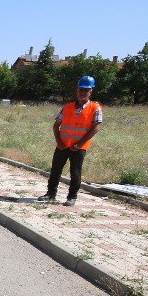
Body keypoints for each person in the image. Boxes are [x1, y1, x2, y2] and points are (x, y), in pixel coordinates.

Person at [37, 75, 103, 207]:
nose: (83, 92)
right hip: (62, 146)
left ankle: (72, 197)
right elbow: (56, 125)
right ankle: (50, 194)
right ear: (77, 90)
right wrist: (58, 142)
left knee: (75, 173)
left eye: (86, 90)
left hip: (79, 148)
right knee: (55, 170)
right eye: (81, 89)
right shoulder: (67, 107)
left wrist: (79, 144)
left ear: (91, 92)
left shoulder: (95, 108)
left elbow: (96, 128)